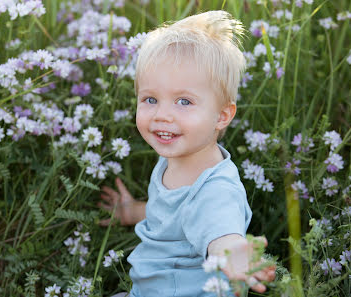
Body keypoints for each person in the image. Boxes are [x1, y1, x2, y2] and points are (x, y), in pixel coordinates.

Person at [98, 10, 276, 297]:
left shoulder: (216, 189)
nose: (162, 115)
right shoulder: (178, 155)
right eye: (150, 99)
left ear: (221, 115)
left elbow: (222, 234)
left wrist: (238, 258)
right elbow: (176, 213)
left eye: (183, 101)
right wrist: (133, 212)